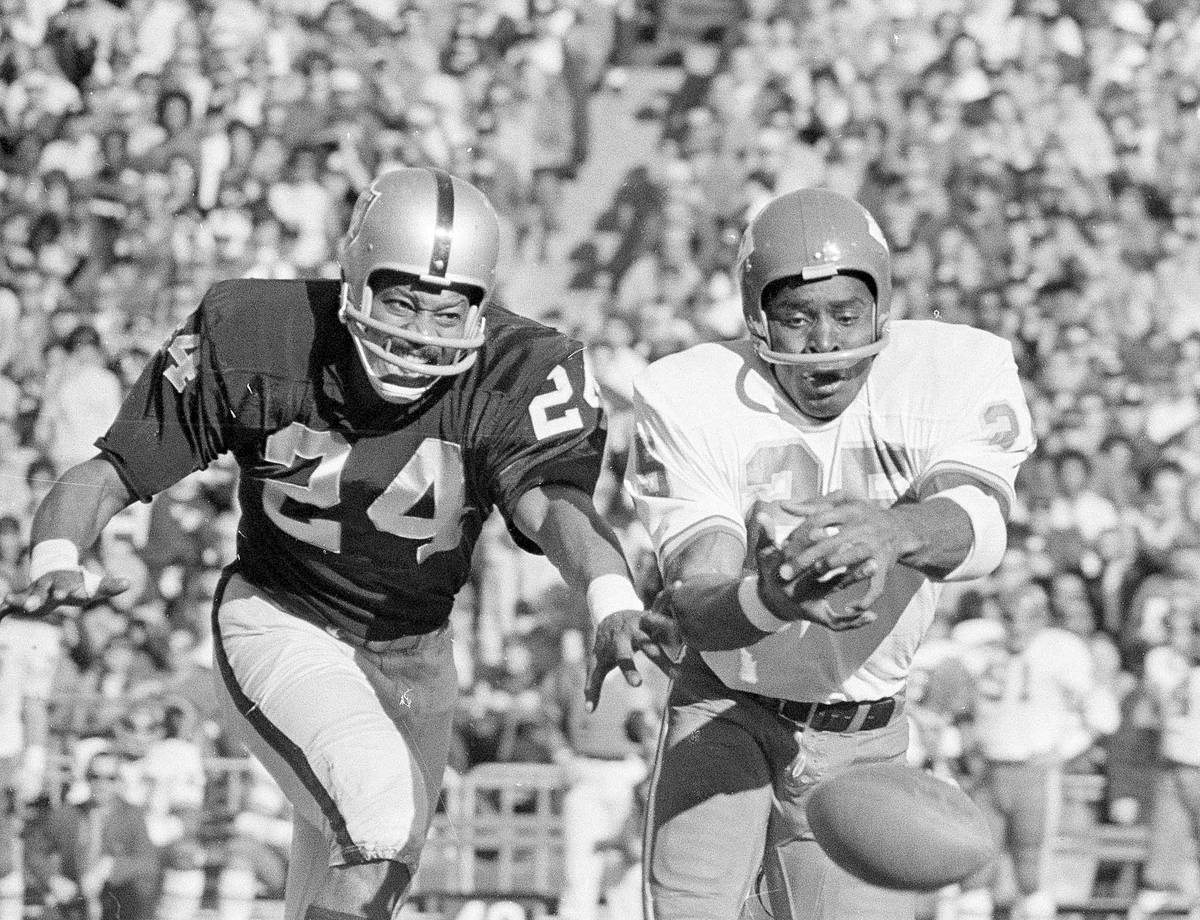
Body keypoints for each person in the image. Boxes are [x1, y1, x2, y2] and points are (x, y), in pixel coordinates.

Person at [2, 167, 673, 920]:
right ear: (355, 279)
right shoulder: (261, 332)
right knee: (383, 822)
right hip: (282, 616)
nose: (421, 331)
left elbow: (555, 505)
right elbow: (113, 471)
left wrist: (609, 595)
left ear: (484, 308)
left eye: (449, 312)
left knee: (372, 870)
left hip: (416, 649)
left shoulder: (524, 370)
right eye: (403, 301)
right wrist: (57, 553)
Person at [595, 187, 1036, 920]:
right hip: (726, 708)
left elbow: (980, 525)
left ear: (883, 307)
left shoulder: (954, 367)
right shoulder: (690, 392)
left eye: (845, 313)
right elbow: (698, 594)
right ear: (757, 316)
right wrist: (771, 598)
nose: (824, 342)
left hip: (861, 731)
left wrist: (890, 533)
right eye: (796, 317)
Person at [953, 581, 1119, 920]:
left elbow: (1102, 714)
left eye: (1024, 618)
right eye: (1009, 618)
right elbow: (965, 707)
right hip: (990, 769)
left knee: (1031, 871)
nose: (1015, 626)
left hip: (1034, 771)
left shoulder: (1061, 651)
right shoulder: (985, 649)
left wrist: (1065, 750)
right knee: (975, 869)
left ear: (1042, 619)